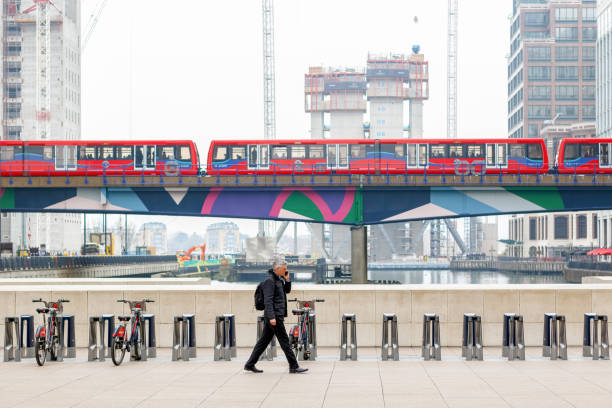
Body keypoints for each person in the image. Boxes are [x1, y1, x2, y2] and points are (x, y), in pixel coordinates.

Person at [244, 259, 308, 374]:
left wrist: (287, 280)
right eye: (284, 268)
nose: (286, 270)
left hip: (276, 315)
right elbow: (268, 301)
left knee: (263, 342)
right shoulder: (270, 281)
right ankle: (294, 366)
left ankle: (249, 364)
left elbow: (287, 291)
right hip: (274, 317)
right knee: (285, 342)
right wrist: (272, 317)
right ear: (277, 269)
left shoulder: (278, 280)